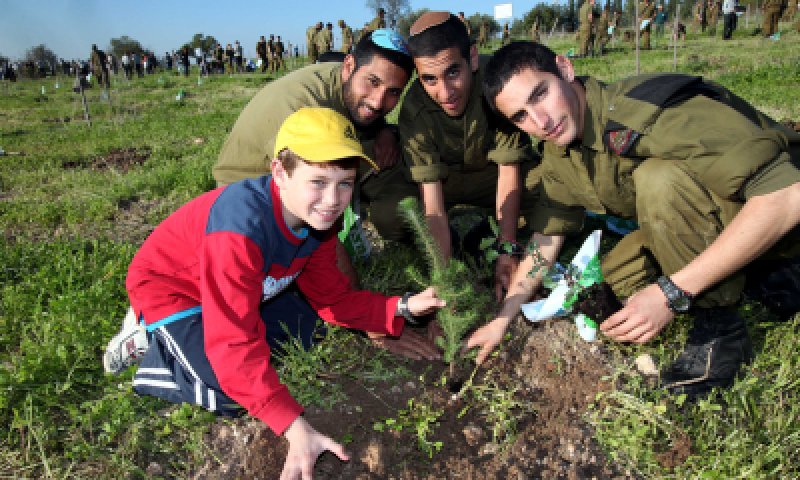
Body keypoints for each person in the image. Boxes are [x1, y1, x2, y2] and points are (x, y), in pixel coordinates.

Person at [103, 106, 447, 478]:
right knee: (231, 390)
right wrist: (293, 426)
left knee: (308, 332)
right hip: (177, 291)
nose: (333, 200)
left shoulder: (318, 223)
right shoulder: (240, 230)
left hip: (238, 290)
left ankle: (186, 338)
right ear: (280, 173)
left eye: (345, 183)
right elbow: (232, 341)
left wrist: (404, 307)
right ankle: (149, 341)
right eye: (318, 182)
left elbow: (333, 300)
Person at [469, 41, 800, 399]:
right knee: (610, 282)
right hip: (733, 217)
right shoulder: (560, 151)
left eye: (541, 95)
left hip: (785, 218)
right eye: (520, 116)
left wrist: (671, 293)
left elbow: (787, 195)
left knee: (659, 181)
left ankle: (719, 329)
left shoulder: (645, 112)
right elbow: (546, 238)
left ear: (565, 69)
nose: (541, 121)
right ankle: (760, 273)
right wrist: (503, 318)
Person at [213, 31, 435, 359]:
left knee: (393, 180)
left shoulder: (353, 94)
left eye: (392, 93)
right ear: (347, 67)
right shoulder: (299, 108)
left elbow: (370, 109)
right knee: (289, 323)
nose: (377, 101)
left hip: (315, 178)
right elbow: (317, 217)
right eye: (371, 83)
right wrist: (373, 326)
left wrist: (384, 129)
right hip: (252, 201)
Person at [399, 12, 541, 300]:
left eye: (453, 72)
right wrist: (443, 281)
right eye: (429, 79)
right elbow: (433, 204)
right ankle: (455, 241)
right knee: (398, 216)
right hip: (443, 186)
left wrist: (507, 249)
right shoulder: (414, 109)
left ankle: (491, 231)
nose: (445, 92)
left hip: (492, 178)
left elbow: (509, 172)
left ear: (472, 58)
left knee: (547, 190)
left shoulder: (496, 83)